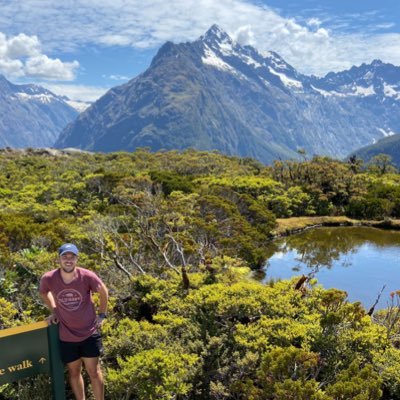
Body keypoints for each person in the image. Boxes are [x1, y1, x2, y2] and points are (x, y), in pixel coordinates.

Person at [40, 243, 108, 400]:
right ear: (59, 259)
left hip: (89, 333)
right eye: (65, 256)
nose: (68, 260)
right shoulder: (49, 278)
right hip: (67, 336)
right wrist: (55, 310)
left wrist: (102, 315)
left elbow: (103, 291)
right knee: (74, 372)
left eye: (72, 257)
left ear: (77, 258)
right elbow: (44, 292)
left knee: (94, 372)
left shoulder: (87, 276)